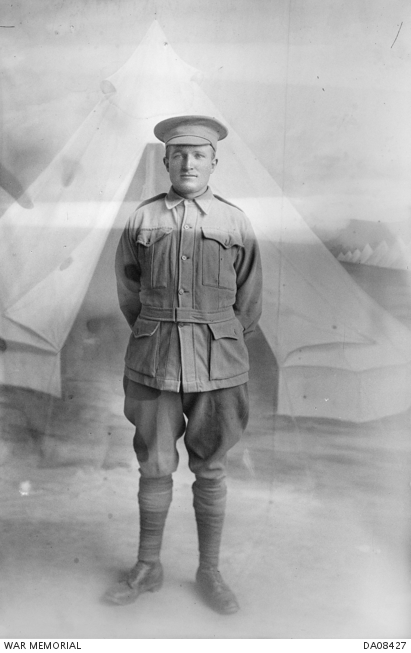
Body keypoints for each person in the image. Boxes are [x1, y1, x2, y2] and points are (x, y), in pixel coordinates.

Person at [105, 115, 262, 615]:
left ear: (214, 162)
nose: (188, 163)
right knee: (154, 465)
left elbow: (249, 302)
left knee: (211, 468)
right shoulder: (143, 218)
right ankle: (147, 566)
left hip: (219, 364)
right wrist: (158, 331)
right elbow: (129, 293)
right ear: (166, 161)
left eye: (198, 155)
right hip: (154, 359)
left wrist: (218, 337)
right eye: (179, 155)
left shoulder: (235, 221)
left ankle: (209, 571)